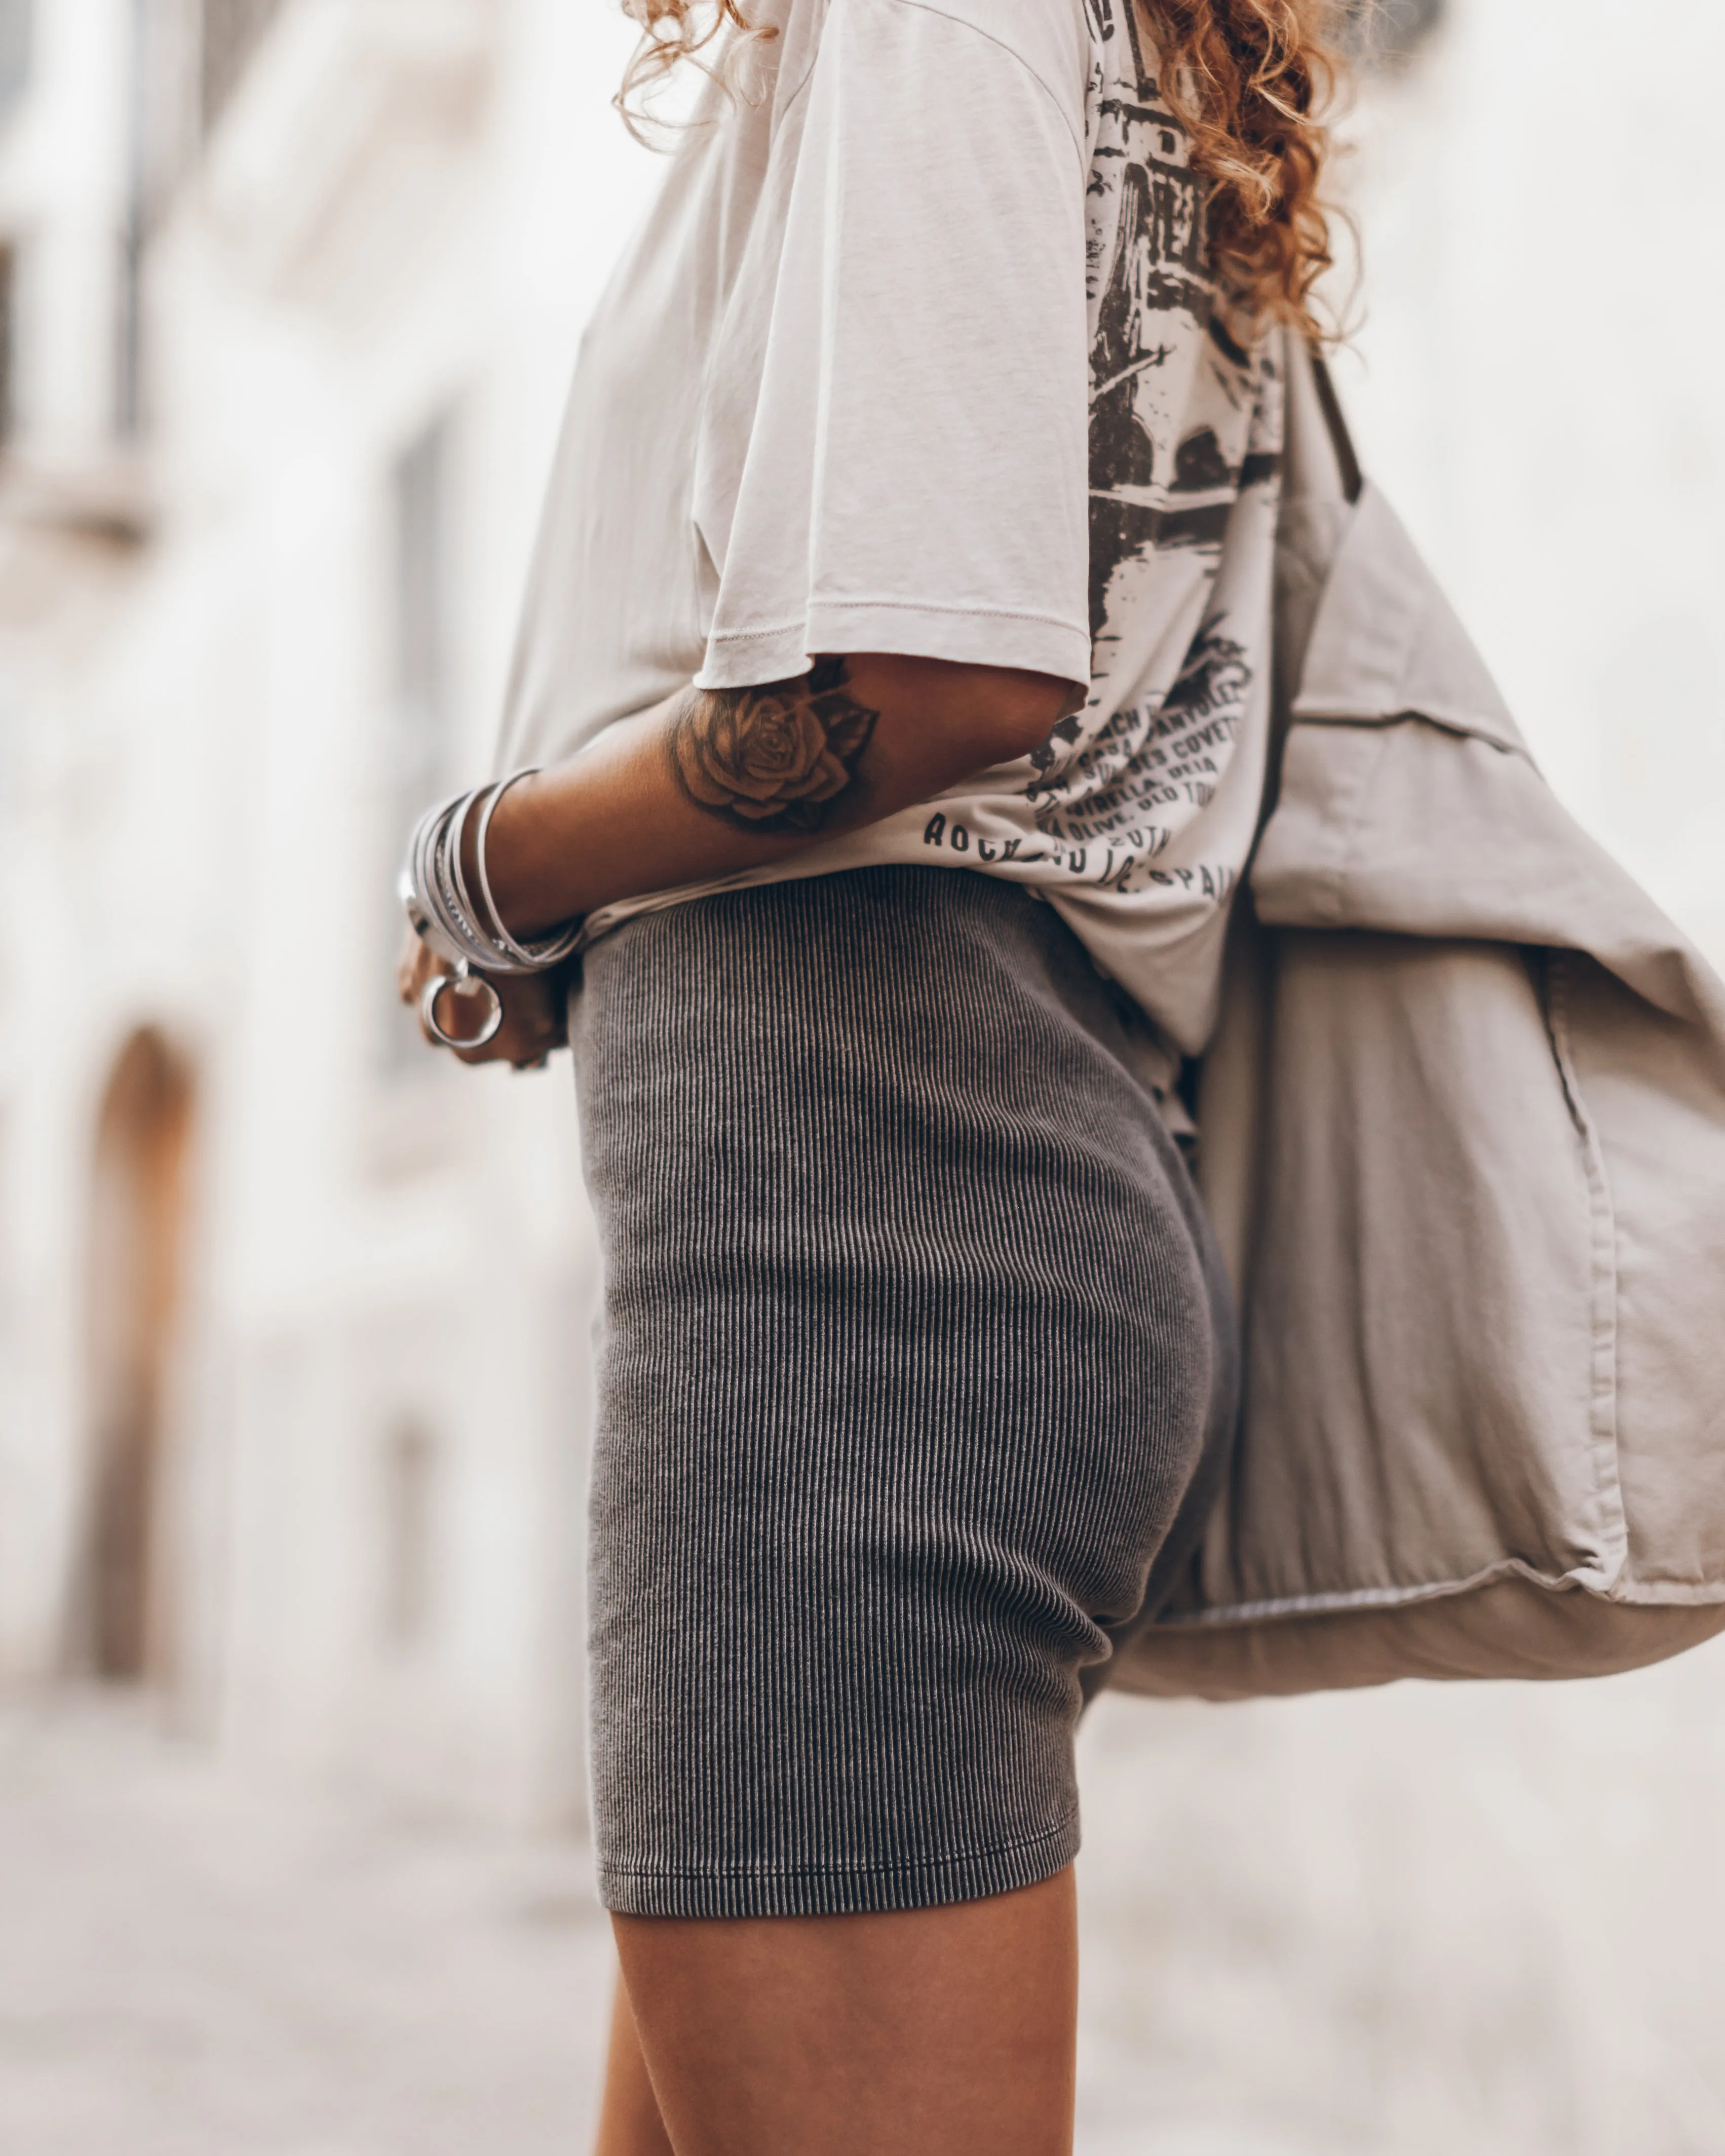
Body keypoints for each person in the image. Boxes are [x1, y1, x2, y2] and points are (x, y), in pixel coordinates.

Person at [398, 0, 1338, 2146]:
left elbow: (922, 679)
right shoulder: (1121, 58)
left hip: (854, 1227)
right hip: (963, 1188)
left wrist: (487, 864)